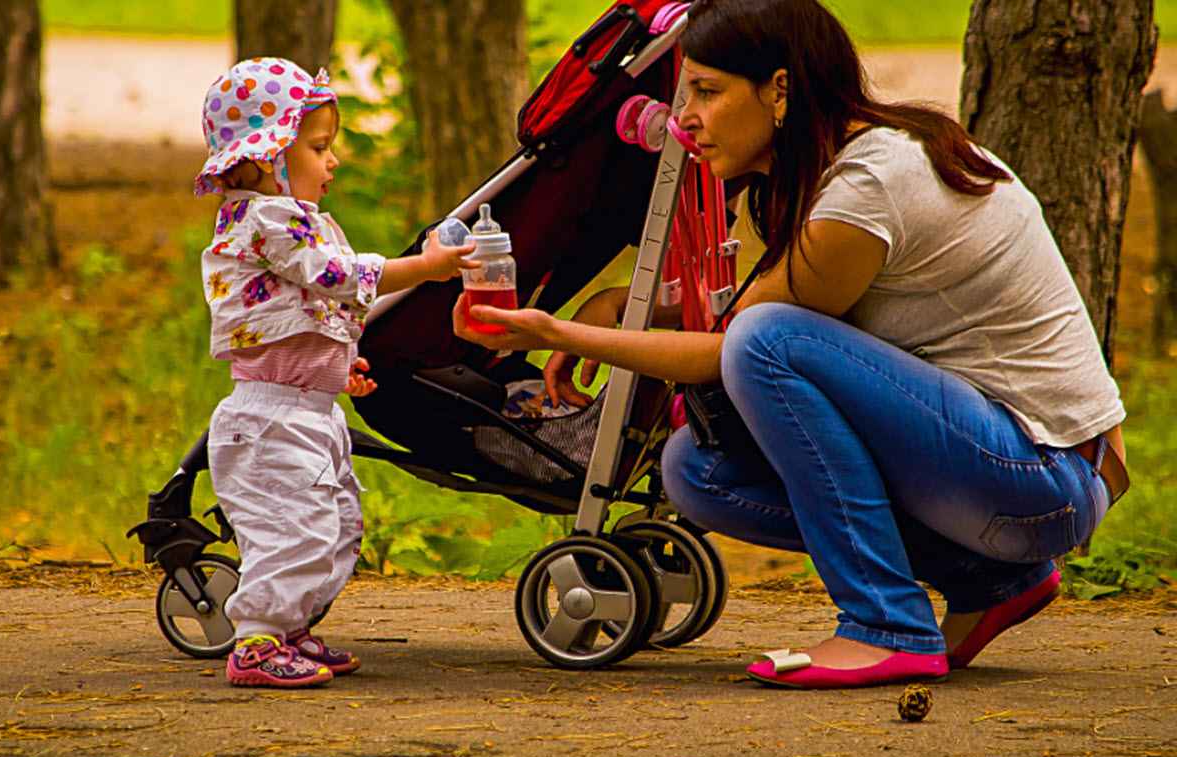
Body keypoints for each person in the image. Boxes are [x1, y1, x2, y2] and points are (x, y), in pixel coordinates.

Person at [452, 0, 1129, 689]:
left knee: (764, 344)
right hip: (1007, 471)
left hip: (1044, 476)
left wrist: (554, 330)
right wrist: (626, 307)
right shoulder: (839, 165)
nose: (685, 117)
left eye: (708, 92)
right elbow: (760, 304)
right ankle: (990, 579)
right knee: (695, 472)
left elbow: (742, 343)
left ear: (779, 89)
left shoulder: (869, 187)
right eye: (686, 92)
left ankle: (886, 624)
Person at [196, 57, 476, 688]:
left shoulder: (290, 223)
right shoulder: (267, 219)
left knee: (334, 523)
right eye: (319, 147)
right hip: (269, 419)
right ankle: (255, 640)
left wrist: (338, 367)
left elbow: (306, 311)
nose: (333, 161)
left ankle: (290, 628)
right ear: (265, 158)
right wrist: (421, 269)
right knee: (292, 528)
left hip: (307, 411)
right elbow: (337, 278)